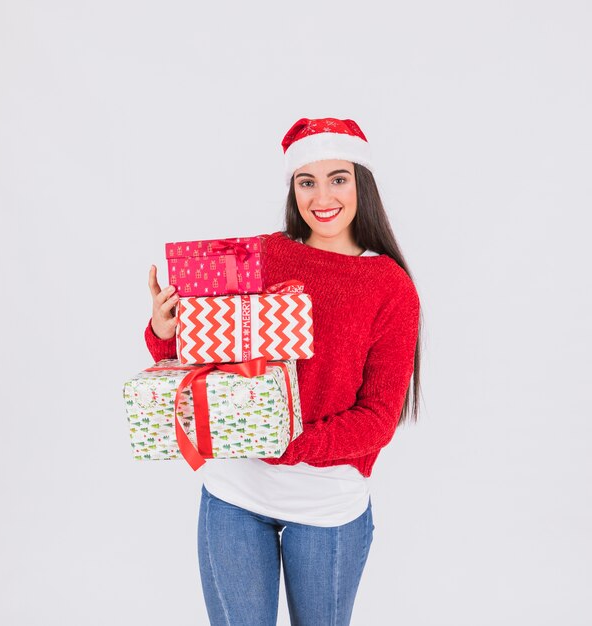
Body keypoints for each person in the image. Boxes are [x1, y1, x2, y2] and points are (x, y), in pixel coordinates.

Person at [144, 117, 421, 626]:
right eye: (306, 181)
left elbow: (378, 419)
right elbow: (205, 354)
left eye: (338, 178)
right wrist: (165, 331)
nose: (323, 197)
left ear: (362, 183)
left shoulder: (389, 286)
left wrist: (287, 444)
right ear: (293, 189)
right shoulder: (262, 256)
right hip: (234, 494)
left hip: (327, 510)